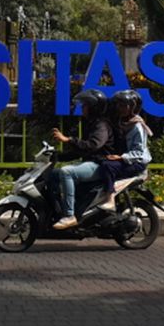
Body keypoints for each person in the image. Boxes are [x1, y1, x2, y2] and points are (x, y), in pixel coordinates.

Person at [49, 89, 114, 230]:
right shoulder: (90, 124)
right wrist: (58, 155)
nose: (82, 108)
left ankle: (69, 215)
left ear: (93, 107)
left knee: (67, 172)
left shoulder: (101, 125)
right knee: (51, 175)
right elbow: (80, 150)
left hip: (99, 164)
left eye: (85, 105)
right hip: (90, 163)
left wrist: (68, 140)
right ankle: (55, 209)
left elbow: (92, 145)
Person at [96, 89, 152, 210]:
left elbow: (139, 152)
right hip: (127, 159)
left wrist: (121, 157)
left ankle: (110, 200)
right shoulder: (121, 122)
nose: (120, 108)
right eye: (118, 105)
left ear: (133, 107)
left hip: (137, 162)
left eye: (124, 105)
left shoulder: (137, 126)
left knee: (108, 166)